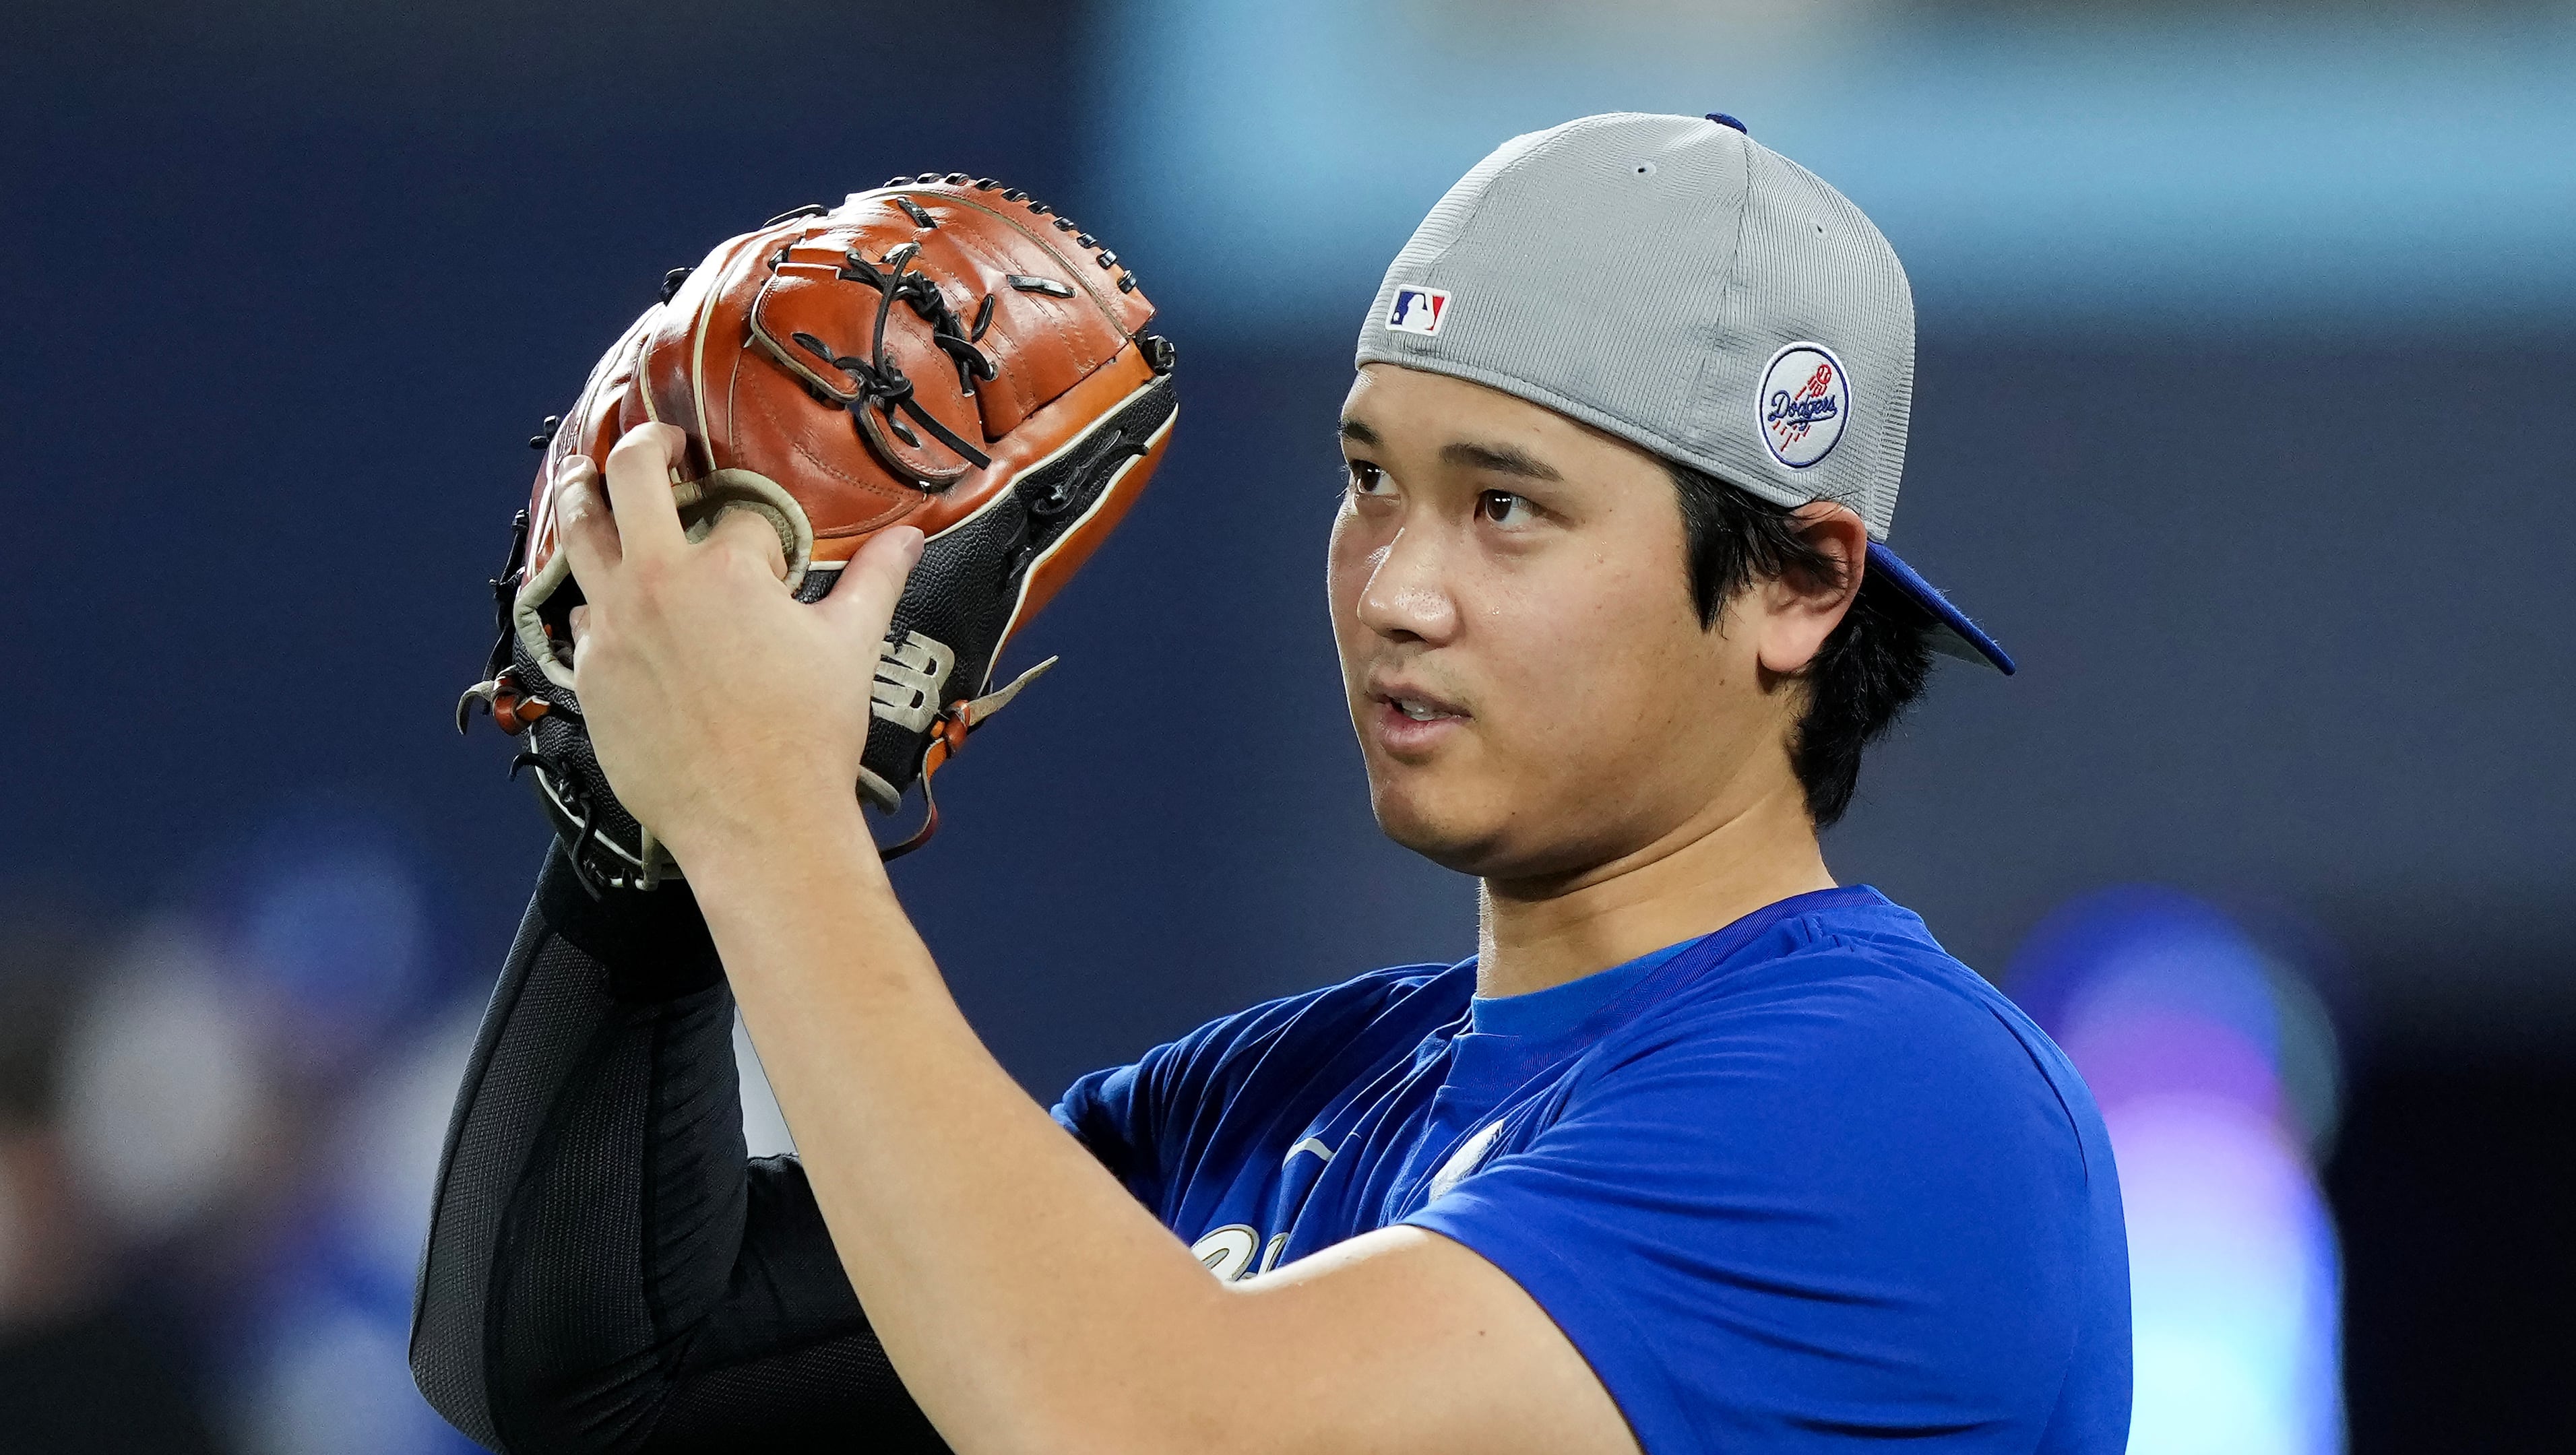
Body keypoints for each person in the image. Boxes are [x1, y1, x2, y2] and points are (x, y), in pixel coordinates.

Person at [412, 112, 2130, 1454]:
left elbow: (1153, 1423)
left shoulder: (1908, 1106)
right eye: (1371, 479)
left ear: (1798, 585)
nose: (1397, 588)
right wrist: (640, 842)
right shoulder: (1283, 1094)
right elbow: (609, 1385)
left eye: (1506, 506)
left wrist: (766, 823)